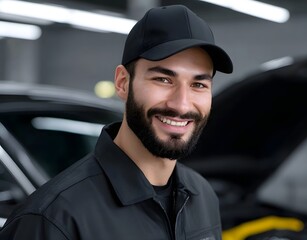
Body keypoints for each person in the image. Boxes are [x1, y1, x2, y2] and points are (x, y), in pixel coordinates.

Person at [0, 5, 233, 240]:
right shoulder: (53, 219)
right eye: (163, 79)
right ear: (123, 83)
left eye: (199, 84)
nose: (182, 105)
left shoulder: (202, 196)